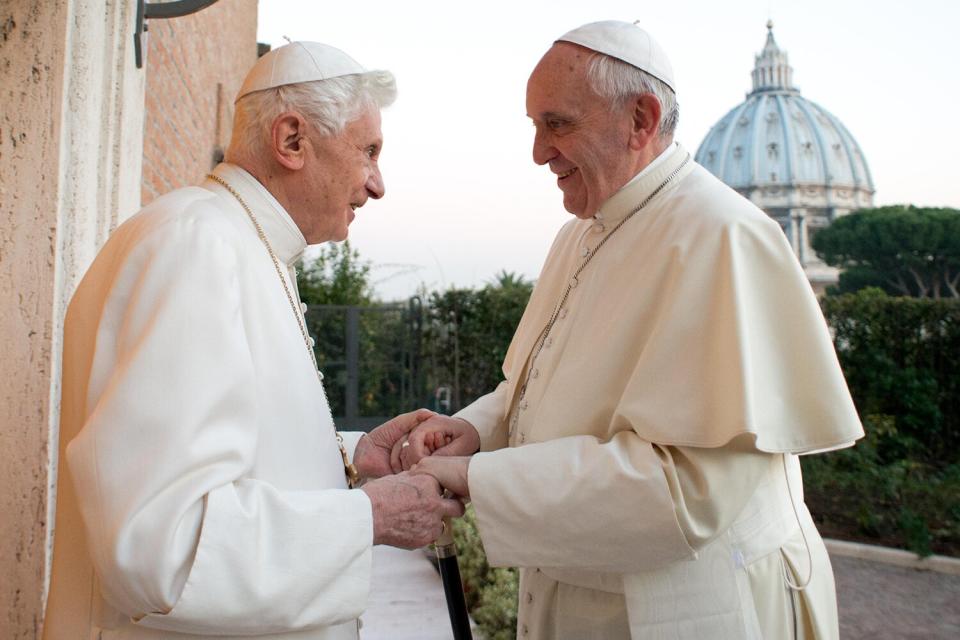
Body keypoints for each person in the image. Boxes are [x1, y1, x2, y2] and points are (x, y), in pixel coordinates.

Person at [400, 20, 863, 640]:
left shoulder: (722, 237)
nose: (538, 152)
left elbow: (687, 490)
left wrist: (473, 478)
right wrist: (474, 432)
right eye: (535, 126)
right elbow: (539, 388)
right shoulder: (581, 233)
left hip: (690, 607)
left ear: (640, 120)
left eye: (557, 124)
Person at [42, 41, 463, 640]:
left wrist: (353, 456)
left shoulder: (238, 244)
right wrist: (368, 518)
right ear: (292, 140)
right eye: (368, 151)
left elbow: (232, 454)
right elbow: (163, 547)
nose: (377, 184)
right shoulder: (197, 246)